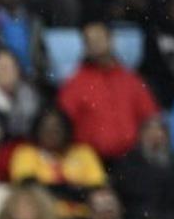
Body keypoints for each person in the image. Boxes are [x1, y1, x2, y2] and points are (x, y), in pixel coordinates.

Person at [58, 20, 160, 162]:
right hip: (91, 162)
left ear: (111, 39)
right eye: (90, 41)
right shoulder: (74, 84)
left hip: (131, 159)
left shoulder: (131, 80)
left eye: (99, 38)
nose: (96, 44)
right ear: (85, 47)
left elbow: (150, 118)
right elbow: (63, 125)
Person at [9, 107, 107, 219]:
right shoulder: (25, 153)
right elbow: (29, 187)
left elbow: (96, 189)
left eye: (57, 128)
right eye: (46, 128)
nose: (51, 133)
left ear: (66, 130)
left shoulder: (84, 153)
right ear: (37, 130)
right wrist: (73, 190)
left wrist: (52, 188)